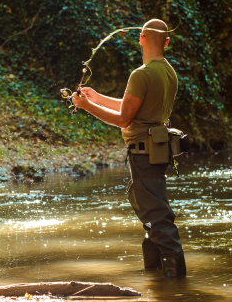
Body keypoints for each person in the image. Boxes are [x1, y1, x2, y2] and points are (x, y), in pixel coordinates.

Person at [72, 18, 186, 278]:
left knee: (157, 220)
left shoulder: (142, 74)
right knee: (153, 220)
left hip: (143, 154)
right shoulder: (168, 72)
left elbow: (124, 118)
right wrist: (96, 97)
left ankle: (175, 285)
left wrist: (86, 106)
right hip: (155, 152)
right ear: (166, 42)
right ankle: (161, 285)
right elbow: (132, 108)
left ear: (141, 38)